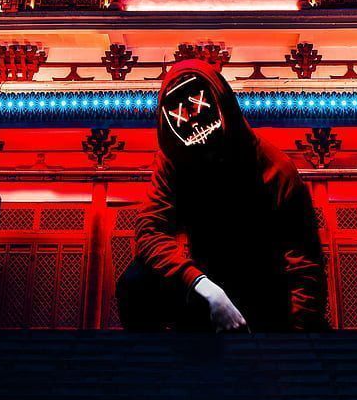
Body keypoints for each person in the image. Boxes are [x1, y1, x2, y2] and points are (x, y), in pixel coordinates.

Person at [116, 59, 329, 332]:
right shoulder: (175, 161)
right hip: (207, 285)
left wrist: (295, 342)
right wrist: (200, 284)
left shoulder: (276, 170)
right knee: (136, 282)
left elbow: (303, 264)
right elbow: (149, 232)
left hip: (265, 292)